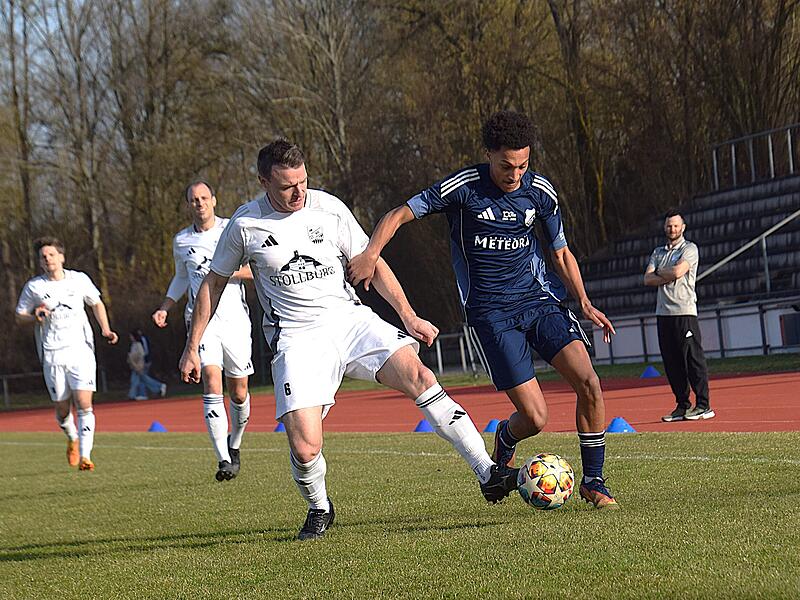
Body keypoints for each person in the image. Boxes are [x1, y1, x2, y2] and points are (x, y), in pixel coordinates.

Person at [179, 139, 513, 541]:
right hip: (296, 339)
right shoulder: (245, 225)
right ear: (264, 182)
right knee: (305, 448)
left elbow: (372, 261)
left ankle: (487, 472)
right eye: (287, 187)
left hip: (349, 320)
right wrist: (193, 346)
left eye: (303, 182)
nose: (299, 193)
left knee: (421, 376)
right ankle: (320, 507)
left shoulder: (329, 208)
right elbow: (213, 284)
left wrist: (408, 316)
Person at [348, 110, 620, 509]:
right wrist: (371, 253)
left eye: (523, 165)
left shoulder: (540, 192)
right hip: (492, 315)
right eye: (507, 166)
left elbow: (560, 252)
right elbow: (399, 214)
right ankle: (506, 437)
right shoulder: (463, 188)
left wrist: (584, 301)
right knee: (536, 418)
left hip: (539, 300)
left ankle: (594, 481)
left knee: (589, 382)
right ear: (489, 154)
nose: (515, 175)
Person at [153, 180, 255, 482]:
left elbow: (254, 268)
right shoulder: (181, 240)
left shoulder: (232, 228)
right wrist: (165, 306)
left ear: (214, 200)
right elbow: (181, 278)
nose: (199, 203)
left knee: (239, 392)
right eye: (193, 199)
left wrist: (225, 272)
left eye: (203, 198)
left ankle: (234, 443)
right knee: (211, 380)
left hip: (235, 320)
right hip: (201, 322)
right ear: (189, 205)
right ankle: (223, 458)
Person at [15, 237, 119, 471]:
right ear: (40, 262)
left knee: (84, 403)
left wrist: (105, 329)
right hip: (52, 354)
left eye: (51, 254)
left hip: (80, 350)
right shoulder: (34, 287)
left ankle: (86, 456)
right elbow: (19, 316)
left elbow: (96, 303)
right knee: (63, 409)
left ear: (61, 257)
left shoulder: (79, 279)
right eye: (43, 256)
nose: (47, 259)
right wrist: (34, 316)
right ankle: (72, 436)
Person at [644, 210, 714, 421]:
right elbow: (647, 279)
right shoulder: (658, 252)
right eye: (669, 225)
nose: (672, 229)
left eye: (675, 225)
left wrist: (660, 272)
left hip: (684, 312)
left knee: (693, 359)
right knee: (672, 362)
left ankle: (703, 405)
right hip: (663, 313)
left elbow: (677, 272)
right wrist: (667, 273)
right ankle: (682, 405)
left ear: (682, 227)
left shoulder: (689, 249)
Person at [127, 330, 166, 400]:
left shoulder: (138, 345)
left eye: (131, 336)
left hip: (138, 366)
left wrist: (139, 365)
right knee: (144, 379)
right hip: (135, 366)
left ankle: (133, 395)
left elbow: (141, 355)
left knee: (135, 380)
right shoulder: (134, 345)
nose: (130, 338)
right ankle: (159, 387)